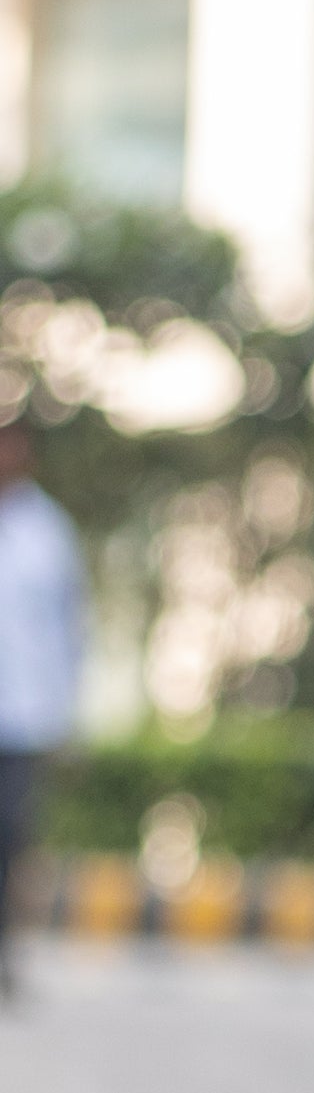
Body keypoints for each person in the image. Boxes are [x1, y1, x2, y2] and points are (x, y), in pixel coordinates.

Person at [0, 414, 86, 1002]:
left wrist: (69, 716)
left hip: (25, 718)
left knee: (12, 839)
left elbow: (71, 631)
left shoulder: (49, 533)